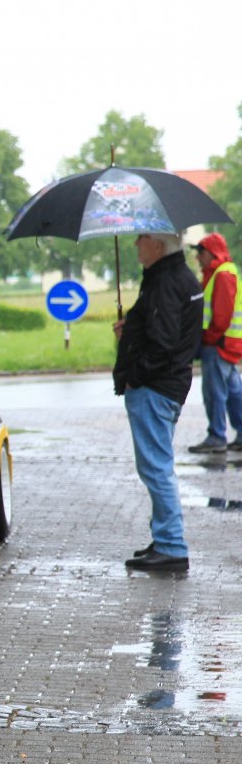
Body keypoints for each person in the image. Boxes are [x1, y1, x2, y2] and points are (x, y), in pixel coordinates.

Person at [113, 231, 204, 572]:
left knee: (155, 468)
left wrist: (135, 376)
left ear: (157, 244)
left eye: (142, 237)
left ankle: (171, 545)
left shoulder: (165, 282)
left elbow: (163, 343)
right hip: (169, 385)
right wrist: (132, 330)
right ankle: (164, 537)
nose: (136, 243)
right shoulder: (178, 277)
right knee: (157, 465)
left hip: (155, 387)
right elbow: (165, 330)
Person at [187, 232, 242, 453]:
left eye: (201, 253)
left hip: (218, 344)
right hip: (227, 343)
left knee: (215, 393)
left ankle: (216, 436)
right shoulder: (221, 273)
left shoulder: (221, 274)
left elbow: (221, 315)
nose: (198, 258)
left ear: (212, 252)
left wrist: (208, 339)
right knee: (233, 391)